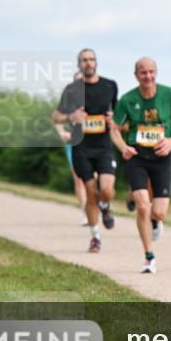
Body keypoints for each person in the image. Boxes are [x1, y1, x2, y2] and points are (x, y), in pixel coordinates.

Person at [110, 57, 171, 274]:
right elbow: (114, 128)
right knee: (143, 206)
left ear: (157, 73)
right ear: (136, 75)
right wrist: (123, 147)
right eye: (143, 73)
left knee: (159, 212)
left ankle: (155, 221)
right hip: (137, 156)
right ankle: (149, 257)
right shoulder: (128, 99)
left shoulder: (169, 94)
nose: (148, 76)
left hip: (161, 156)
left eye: (151, 72)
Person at [52, 50, 119, 252]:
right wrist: (70, 117)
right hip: (81, 147)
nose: (88, 63)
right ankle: (95, 237)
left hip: (104, 146)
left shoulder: (110, 85)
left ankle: (105, 206)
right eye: (84, 60)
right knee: (91, 192)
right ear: (79, 64)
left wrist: (112, 118)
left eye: (91, 60)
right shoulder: (72, 89)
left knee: (106, 190)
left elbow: (118, 115)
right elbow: (56, 116)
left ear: (96, 62)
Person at [53, 72, 89, 224]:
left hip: (93, 142)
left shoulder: (95, 97)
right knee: (79, 179)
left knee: (94, 178)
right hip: (73, 143)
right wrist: (62, 132)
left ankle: (97, 206)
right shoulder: (69, 100)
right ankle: (85, 212)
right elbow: (56, 118)